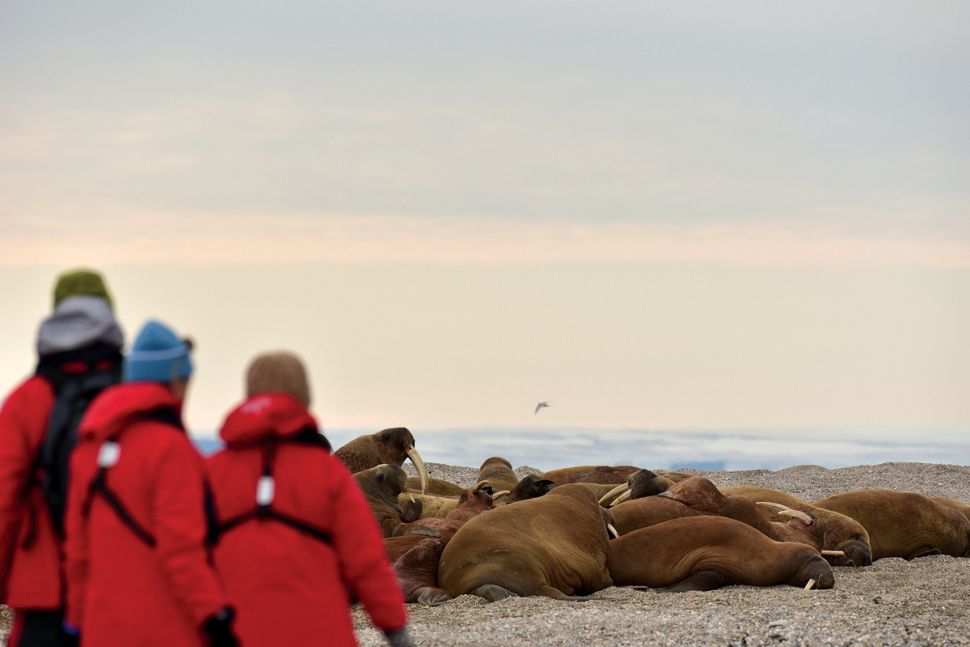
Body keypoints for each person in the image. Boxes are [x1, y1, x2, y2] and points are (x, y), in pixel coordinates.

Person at [205, 352, 414, 647]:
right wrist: (395, 630)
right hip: (321, 634)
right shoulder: (330, 475)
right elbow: (367, 562)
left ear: (249, 396)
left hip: (237, 633)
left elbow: (188, 559)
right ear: (304, 398)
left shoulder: (212, 473)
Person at [63, 320, 238, 646]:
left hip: (101, 631)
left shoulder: (88, 447)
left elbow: (77, 553)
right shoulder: (172, 449)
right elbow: (182, 551)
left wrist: (74, 623)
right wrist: (216, 619)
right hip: (166, 630)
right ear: (175, 380)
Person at [0, 269, 124, 646]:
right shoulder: (132, 395)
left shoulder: (27, 399)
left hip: (42, 590)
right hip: (117, 587)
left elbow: (3, 501)